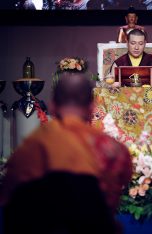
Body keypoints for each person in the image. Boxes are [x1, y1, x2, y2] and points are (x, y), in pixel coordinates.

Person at [0, 72, 132, 233]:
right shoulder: (113, 150)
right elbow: (111, 201)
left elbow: (9, 202)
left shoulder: (30, 147)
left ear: (53, 106)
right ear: (92, 108)